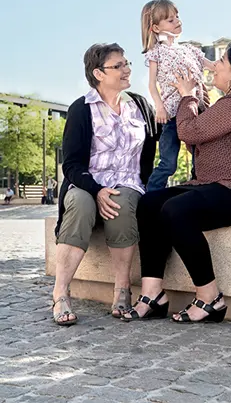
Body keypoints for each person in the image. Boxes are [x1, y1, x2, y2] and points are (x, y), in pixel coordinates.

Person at [123, 43, 231, 323]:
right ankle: (152, 294)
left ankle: (210, 298)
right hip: (229, 185)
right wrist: (196, 101)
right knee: (151, 203)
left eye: (222, 61)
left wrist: (187, 96)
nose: (214, 65)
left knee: (178, 210)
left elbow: (189, 132)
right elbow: (198, 139)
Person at [51, 43, 161, 326]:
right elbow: (71, 164)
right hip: (87, 183)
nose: (127, 70)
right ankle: (60, 292)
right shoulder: (81, 109)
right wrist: (96, 190)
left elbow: (156, 144)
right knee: (80, 203)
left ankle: (122, 289)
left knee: (121, 202)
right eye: (118, 66)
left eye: (127, 64)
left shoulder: (140, 106)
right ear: (98, 73)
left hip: (129, 184)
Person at [141, 0, 212, 191]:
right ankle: (150, 195)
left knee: (200, 158)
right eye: (170, 20)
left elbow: (212, 66)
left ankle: (198, 189)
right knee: (168, 163)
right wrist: (159, 107)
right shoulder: (156, 52)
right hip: (172, 114)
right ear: (156, 28)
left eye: (177, 17)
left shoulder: (189, 50)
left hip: (195, 112)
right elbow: (152, 84)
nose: (177, 21)